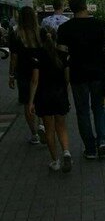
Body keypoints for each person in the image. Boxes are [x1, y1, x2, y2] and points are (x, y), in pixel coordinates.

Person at [57, 0, 105, 159]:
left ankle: (90, 149)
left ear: (71, 9)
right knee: (99, 108)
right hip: (99, 75)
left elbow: (61, 54)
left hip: (77, 76)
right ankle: (102, 143)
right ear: (86, 6)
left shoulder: (65, 28)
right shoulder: (100, 24)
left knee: (82, 112)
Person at [28, 28, 72, 172]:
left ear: (40, 39)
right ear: (55, 38)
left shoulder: (37, 55)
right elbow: (67, 79)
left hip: (44, 96)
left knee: (49, 129)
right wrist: (65, 92)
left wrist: (31, 101)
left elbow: (35, 80)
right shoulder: (63, 54)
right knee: (62, 126)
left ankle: (55, 161)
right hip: (60, 95)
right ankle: (66, 152)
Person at [8, 6, 45, 144]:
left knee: (26, 101)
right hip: (41, 71)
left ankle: (34, 134)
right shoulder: (41, 32)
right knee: (40, 98)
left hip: (23, 73)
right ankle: (42, 124)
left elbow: (14, 58)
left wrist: (11, 75)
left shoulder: (15, 34)